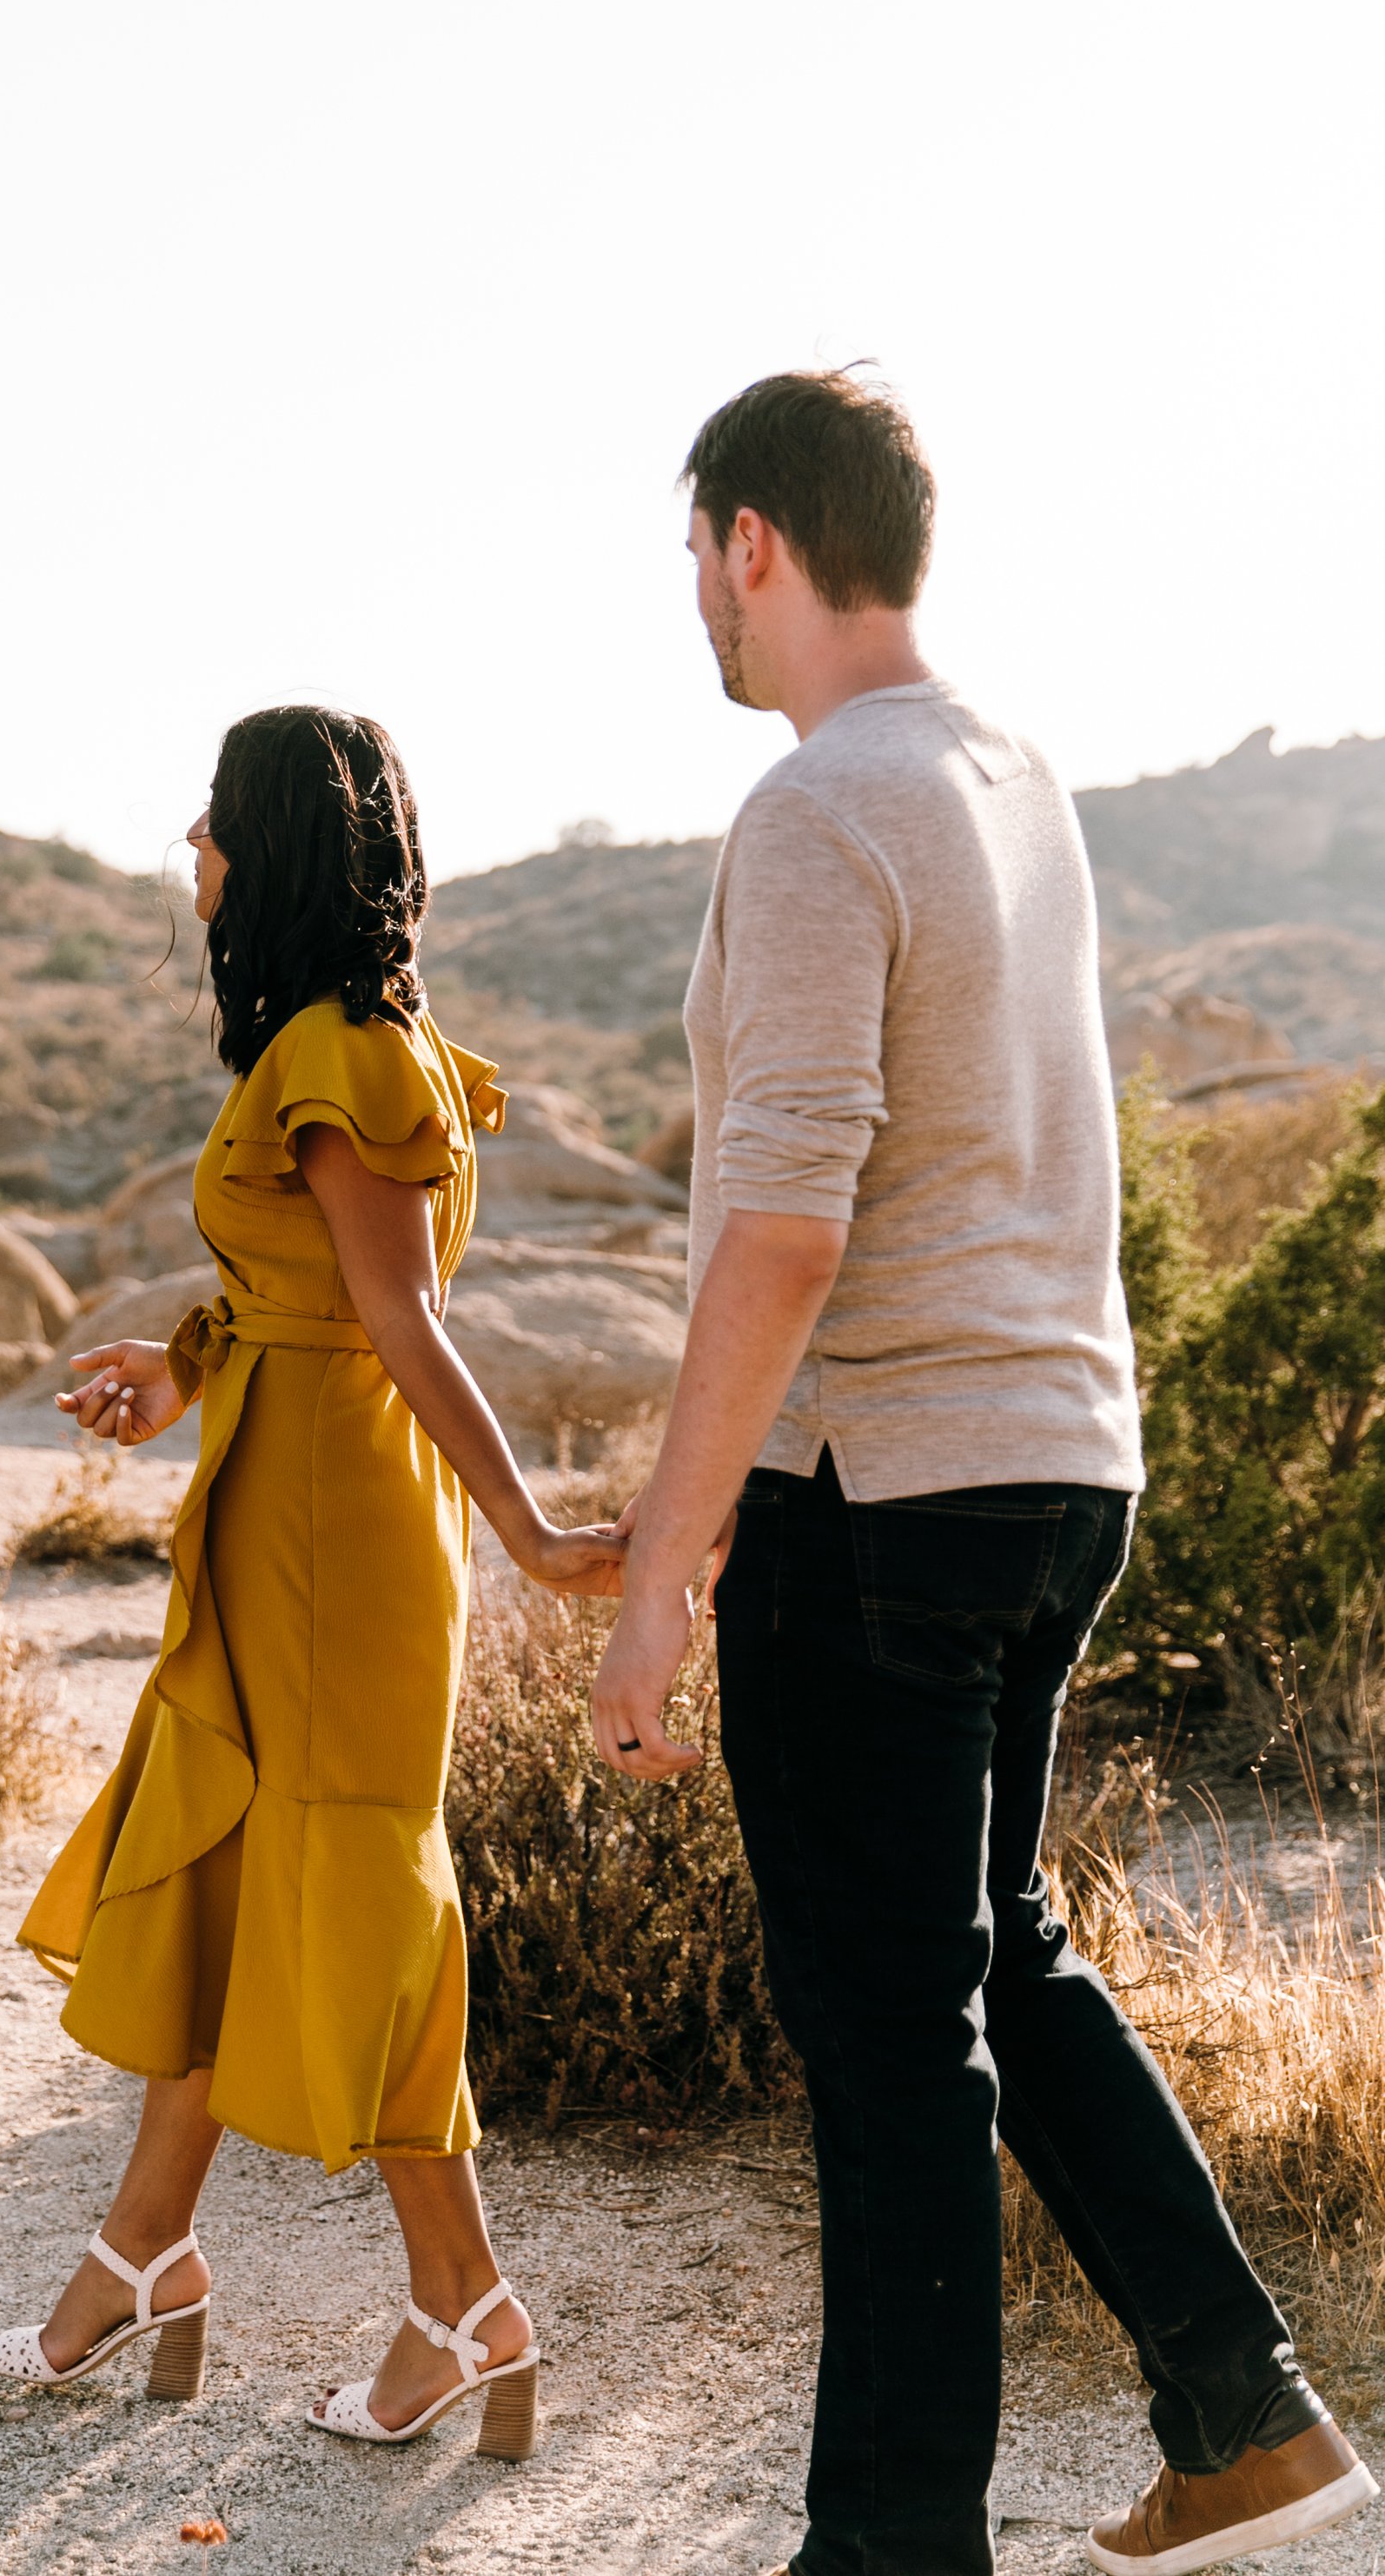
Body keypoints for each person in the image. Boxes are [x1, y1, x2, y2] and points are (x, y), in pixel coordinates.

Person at [590, 372, 1376, 2576]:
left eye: (691, 558)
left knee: (887, 2035)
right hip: (1058, 1473)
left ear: (751, 540)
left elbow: (782, 1221)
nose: (696, 604)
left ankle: (892, 2544)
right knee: (996, 1956)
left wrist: (668, 1554)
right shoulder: (1013, 782)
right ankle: (1245, 2420)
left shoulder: (818, 810)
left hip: (886, 1496)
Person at [0, 703, 624, 2453]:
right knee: (236, 1873)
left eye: (210, 823)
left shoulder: (352, 1054)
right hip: (278, 1498)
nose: (190, 850)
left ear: (270, 849)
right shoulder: (320, 1055)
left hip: (340, 1529)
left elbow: (400, 1323)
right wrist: (181, 1361)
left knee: (344, 1895)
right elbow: (309, 1299)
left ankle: (461, 2306)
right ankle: (143, 2256)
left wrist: (533, 1530)